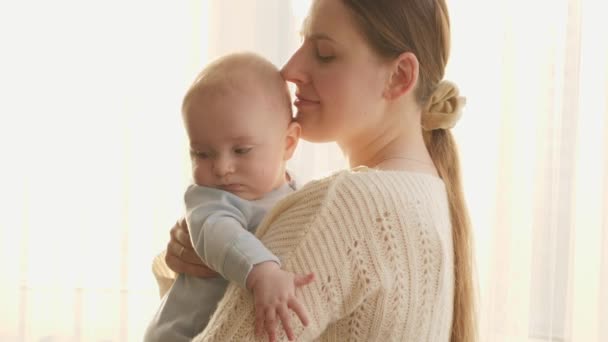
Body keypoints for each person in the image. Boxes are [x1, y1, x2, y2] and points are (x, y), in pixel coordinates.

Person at [156, 0, 477, 341]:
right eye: (301, 41)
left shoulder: (342, 206)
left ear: (399, 76)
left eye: (324, 53)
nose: (290, 69)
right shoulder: (430, 191)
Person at [145, 52, 314, 342]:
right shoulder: (209, 200)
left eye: (241, 150)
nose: (222, 168)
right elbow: (217, 233)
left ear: (288, 143)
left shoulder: (299, 195)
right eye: (202, 153)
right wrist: (263, 273)